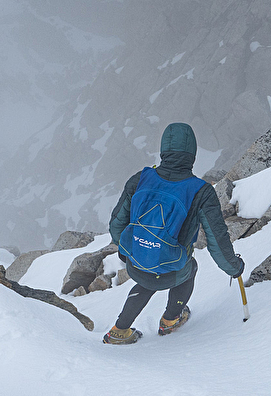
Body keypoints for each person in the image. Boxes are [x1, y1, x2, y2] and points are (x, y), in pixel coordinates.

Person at [103, 122, 244, 344]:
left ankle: (119, 331)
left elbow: (116, 223)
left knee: (146, 280)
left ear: (163, 150)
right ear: (192, 153)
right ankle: (170, 321)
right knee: (189, 268)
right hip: (174, 268)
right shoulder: (201, 191)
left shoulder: (140, 178)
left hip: (136, 263)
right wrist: (233, 268)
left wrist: (126, 252)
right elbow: (217, 239)